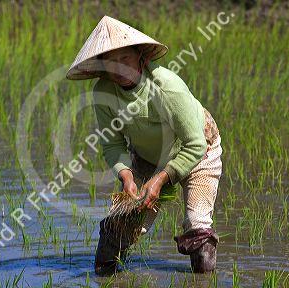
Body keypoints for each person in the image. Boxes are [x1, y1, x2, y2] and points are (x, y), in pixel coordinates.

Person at [66, 15, 222, 276]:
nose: (119, 70)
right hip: (148, 158)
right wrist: (126, 176)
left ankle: (203, 278)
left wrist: (160, 180)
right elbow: (112, 143)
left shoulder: (166, 87)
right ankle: (106, 277)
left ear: (142, 58)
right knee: (120, 226)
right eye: (111, 63)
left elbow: (194, 144)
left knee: (197, 228)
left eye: (125, 60)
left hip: (199, 154)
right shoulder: (103, 93)